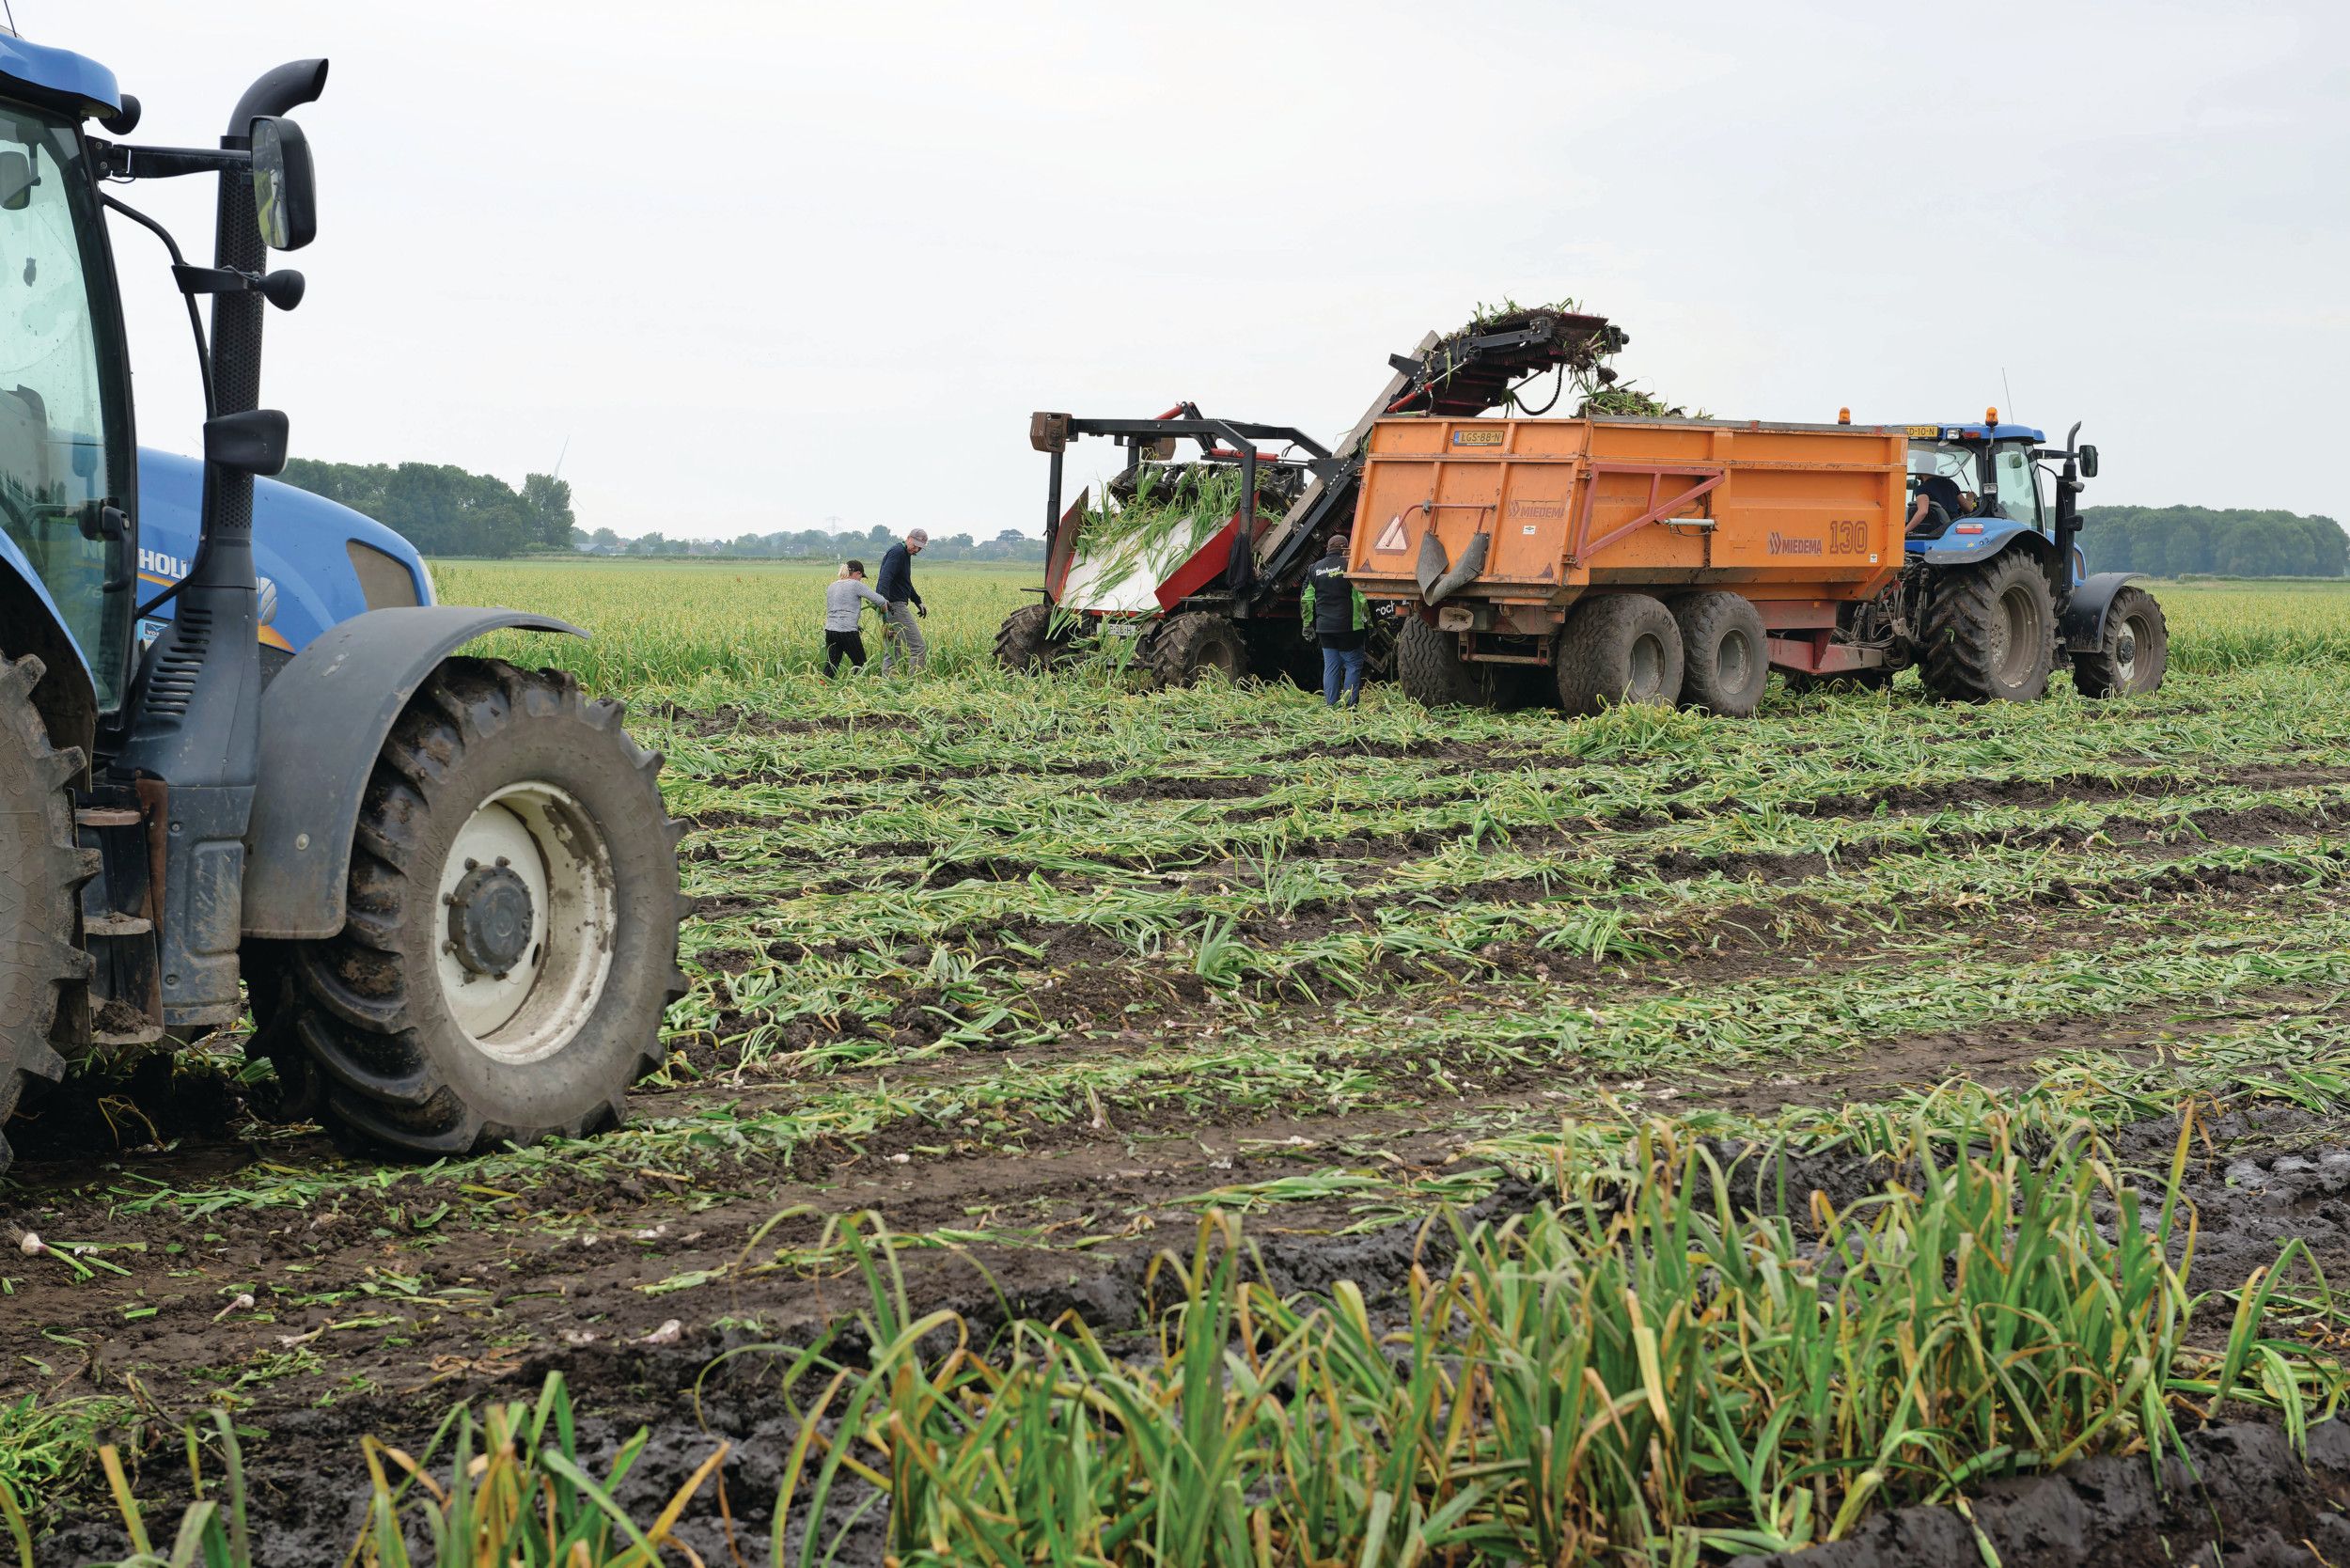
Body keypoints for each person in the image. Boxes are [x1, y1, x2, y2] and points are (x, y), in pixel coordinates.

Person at [1300, 533, 1371, 708]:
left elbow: (1306, 599)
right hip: (1349, 627)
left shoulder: (1314, 569)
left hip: (1324, 628)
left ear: (1328, 549)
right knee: (1353, 665)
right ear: (1346, 549)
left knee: (1331, 666)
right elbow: (1362, 597)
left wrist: (1307, 624)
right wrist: (1370, 620)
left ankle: (1331, 705)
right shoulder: (1350, 566)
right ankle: (1348, 706)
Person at [875, 527, 930, 673]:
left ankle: (888, 687)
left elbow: (905, 582)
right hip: (894, 606)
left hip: (890, 606)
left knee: (893, 650)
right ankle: (916, 687)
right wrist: (883, 601)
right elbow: (885, 577)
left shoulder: (904, 553)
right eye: (916, 545)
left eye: (920, 548)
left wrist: (918, 601)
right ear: (908, 538)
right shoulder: (898, 552)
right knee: (918, 647)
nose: (917, 549)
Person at [822, 559, 890, 675]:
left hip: (831, 631)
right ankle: (854, 689)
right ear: (857, 573)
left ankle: (822, 688)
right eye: (861, 576)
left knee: (831, 665)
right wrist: (885, 614)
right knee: (861, 663)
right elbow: (880, 601)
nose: (860, 579)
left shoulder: (832, 586)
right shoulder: (855, 584)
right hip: (847, 631)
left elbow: (835, 610)